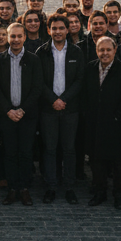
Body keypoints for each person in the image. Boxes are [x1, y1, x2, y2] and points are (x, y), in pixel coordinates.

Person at [0, 22, 42, 206]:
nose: (15, 40)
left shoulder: (33, 59)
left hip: (27, 115)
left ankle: (24, 188)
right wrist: (8, 110)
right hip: (7, 115)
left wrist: (22, 110)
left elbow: (37, 88)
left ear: (25, 37)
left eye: (19, 36)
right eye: (12, 36)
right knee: (10, 152)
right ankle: (12, 188)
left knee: (26, 152)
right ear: (7, 37)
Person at [36, 14, 84, 204]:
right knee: (49, 149)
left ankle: (69, 186)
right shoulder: (42, 52)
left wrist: (63, 99)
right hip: (48, 109)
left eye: (61, 28)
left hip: (70, 109)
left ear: (67, 30)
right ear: (49, 30)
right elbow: (38, 81)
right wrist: (53, 100)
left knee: (69, 149)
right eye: (53, 28)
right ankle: (51, 186)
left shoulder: (77, 52)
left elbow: (80, 80)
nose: (57, 32)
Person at [83, 36, 121, 208]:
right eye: (101, 50)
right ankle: (100, 192)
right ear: (96, 51)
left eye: (108, 50)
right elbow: (86, 95)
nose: (104, 53)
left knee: (118, 162)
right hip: (95, 123)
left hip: (116, 124)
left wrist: (118, 118)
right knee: (97, 161)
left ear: (115, 50)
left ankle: (118, 195)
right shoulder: (90, 68)